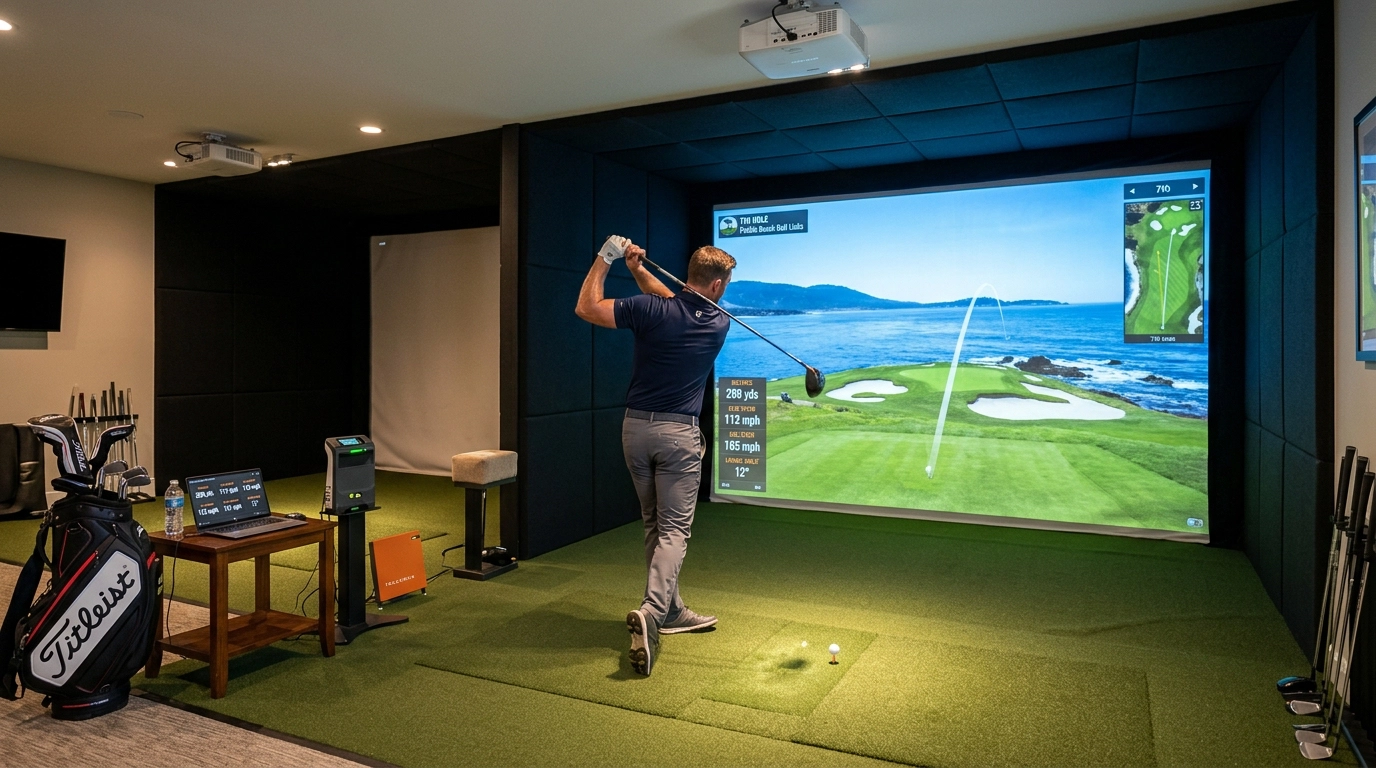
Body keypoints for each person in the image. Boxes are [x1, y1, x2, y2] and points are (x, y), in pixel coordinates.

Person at [574, 235, 736, 676]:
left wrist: (609, 259)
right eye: (726, 284)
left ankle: (672, 609)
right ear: (717, 285)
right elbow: (679, 303)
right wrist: (635, 269)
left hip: (635, 431)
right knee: (674, 531)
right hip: (678, 437)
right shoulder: (719, 322)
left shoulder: (651, 310)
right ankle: (651, 611)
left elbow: (588, 307)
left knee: (654, 524)